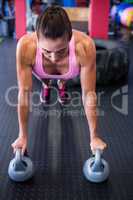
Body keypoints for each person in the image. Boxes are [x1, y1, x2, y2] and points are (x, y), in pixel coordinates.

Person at [11, 5, 107, 155]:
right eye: (47, 51)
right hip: (41, 72)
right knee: (45, 79)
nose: (54, 58)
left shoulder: (85, 46)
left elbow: (89, 93)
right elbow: (24, 93)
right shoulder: (25, 46)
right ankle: (47, 85)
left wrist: (94, 137)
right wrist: (22, 136)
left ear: (69, 38)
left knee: (63, 79)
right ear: (37, 37)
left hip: (68, 72)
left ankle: (62, 83)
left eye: (61, 50)